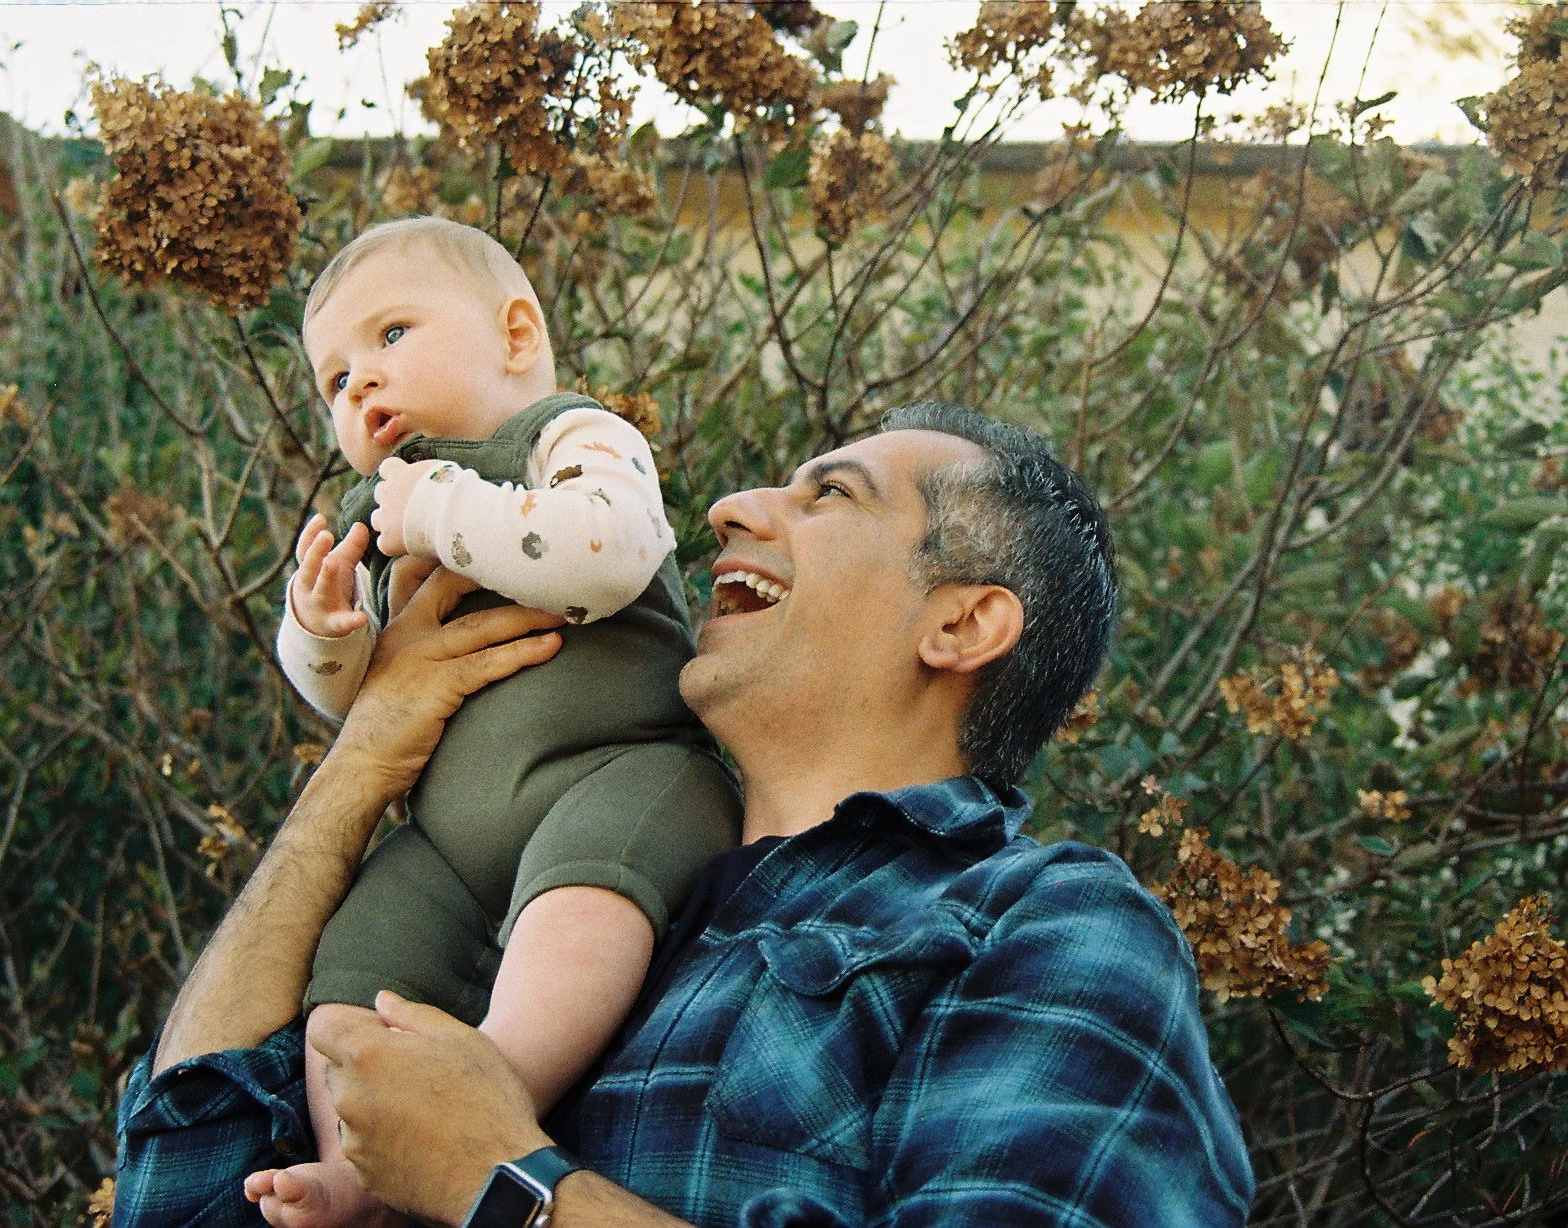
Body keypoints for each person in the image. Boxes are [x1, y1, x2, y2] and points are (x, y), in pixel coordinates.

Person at [115, 403, 1256, 1228]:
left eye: (831, 494)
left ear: (960, 626)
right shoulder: (574, 888)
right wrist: (362, 760)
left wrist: (501, 1179)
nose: (729, 506)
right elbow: (183, 1180)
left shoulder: (1041, 927)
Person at [259, 217, 740, 1224]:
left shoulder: (572, 436)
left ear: (517, 336)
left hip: (613, 770)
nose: (364, 386)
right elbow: (355, 702)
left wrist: (440, 510)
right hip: (444, 838)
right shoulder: (378, 504)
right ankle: (359, 1156)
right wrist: (326, 628)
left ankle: (492, 1089)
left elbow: (603, 552)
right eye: (337, 381)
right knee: (353, 967)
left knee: (589, 905)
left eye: (391, 336)